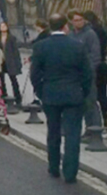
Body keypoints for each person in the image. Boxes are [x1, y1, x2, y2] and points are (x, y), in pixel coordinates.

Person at [30, 13, 93, 184]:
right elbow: (87, 74)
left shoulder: (41, 47)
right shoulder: (77, 46)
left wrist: (41, 92)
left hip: (50, 94)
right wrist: (83, 92)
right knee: (72, 134)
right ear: (66, 26)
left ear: (50, 27)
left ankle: (53, 167)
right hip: (73, 94)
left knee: (53, 131)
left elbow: (35, 74)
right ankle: (70, 173)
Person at [67, 10, 103, 137]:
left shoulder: (90, 34)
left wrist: (89, 70)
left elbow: (95, 55)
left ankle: (96, 129)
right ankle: (88, 129)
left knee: (91, 101)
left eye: (81, 20)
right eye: (76, 20)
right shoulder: (71, 35)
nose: (79, 22)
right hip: (74, 75)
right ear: (71, 22)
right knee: (82, 103)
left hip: (87, 74)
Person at [0, 22, 22, 106]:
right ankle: (4, 96)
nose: (2, 27)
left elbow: (15, 51)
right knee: (1, 80)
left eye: (4, 26)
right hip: (1, 61)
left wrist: (17, 62)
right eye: (1, 26)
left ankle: (18, 97)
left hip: (10, 61)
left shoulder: (11, 38)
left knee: (13, 79)